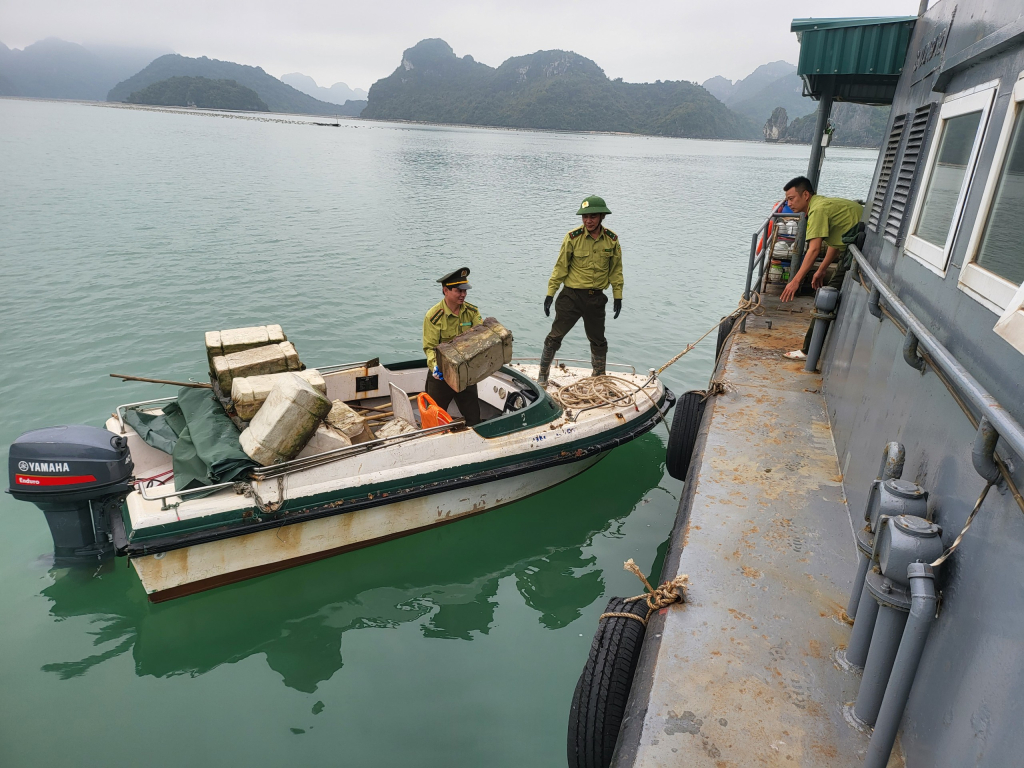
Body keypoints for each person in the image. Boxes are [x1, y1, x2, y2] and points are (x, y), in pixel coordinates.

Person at [538, 195, 624, 386]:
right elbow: (560, 267)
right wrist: (550, 294)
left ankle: (599, 377)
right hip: (571, 297)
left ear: (602, 216)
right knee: (554, 337)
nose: (588, 220)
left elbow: (616, 270)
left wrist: (618, 296)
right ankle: (542, 375)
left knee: (599, 340)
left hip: (596, 299)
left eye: (593, 216)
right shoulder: (572, 238)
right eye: (584, 217)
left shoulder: (612, 240)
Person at [779, 176, 863, 359]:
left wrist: (795, 280)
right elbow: (837, 238)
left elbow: (814, 249)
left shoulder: (817, 210)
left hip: (859, 250)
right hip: (856, 244)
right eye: (787, 199)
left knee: (825, 298)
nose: (789, 203)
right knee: (828, 293)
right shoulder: (822, 204)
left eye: (791, 198)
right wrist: (822, 269)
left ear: (806, 195)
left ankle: (808, 351)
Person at [422, 267, 484, 425]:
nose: (463, 294)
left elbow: (482, 338)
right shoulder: (434, 317)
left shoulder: (471, 312)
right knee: (433, 420)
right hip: (441, 376)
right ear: (445, 290)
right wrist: (435, 366)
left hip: (465, 375)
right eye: (458, 290)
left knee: (474, 419)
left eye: (465, 291)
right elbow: (430, 348)